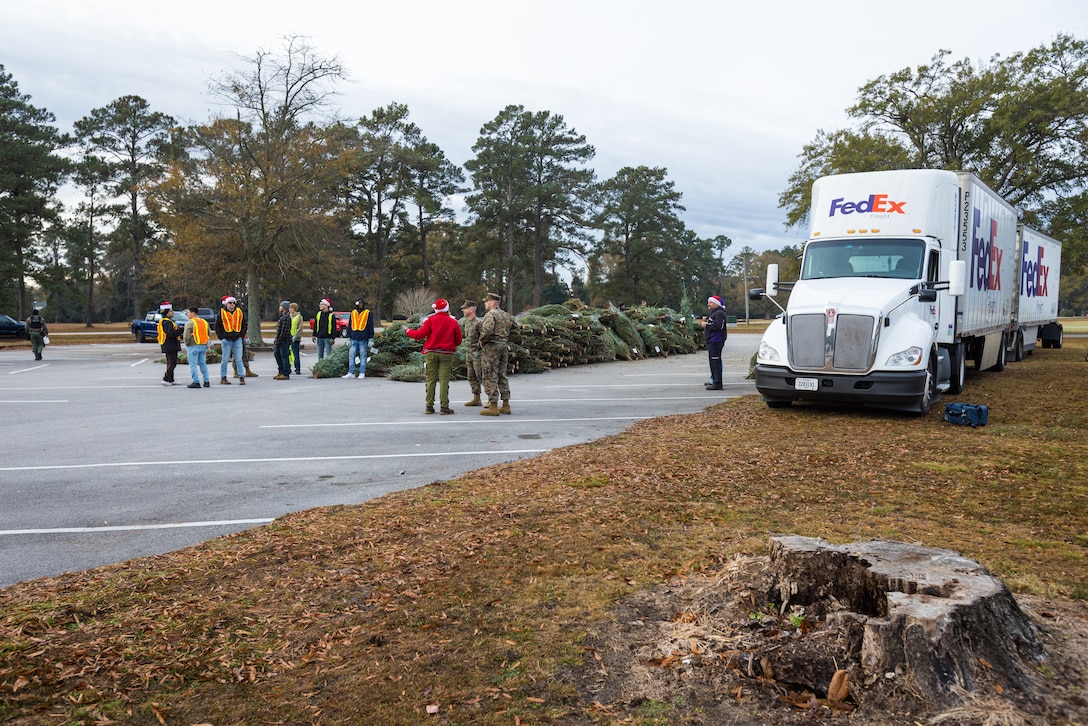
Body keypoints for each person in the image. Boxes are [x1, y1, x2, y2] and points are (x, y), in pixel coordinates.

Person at [405, 298, 463, 414]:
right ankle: (444, 406)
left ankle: (429, 406)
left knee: (430, 380)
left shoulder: (430, 320)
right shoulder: (453, 322)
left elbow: (419, 335)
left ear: (435, 309)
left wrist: (408, 331)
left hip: (431, 353)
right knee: (444, 380)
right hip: (447, 354)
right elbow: (459, 340)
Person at [478, 291, 514, 416]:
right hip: (503, 346)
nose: (485, 304)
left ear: (492, 302)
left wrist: (482, 340)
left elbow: (487, 329)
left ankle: (493, 405)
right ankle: (506, 404)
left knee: (489, 374)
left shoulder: (490, 315)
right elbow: (516, 328)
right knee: (502, 374)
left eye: (486, 301)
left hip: (491, 347)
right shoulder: (506, 315)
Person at [215, 295, 247, 385]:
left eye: (233, 303)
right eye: (230, 303)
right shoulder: (221, 313)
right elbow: (217, 326)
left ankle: (241, 377)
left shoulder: (239, 312)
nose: (232, 304)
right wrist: (222, 337)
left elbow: (244, 324)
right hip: (226, 339)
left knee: (239, 359)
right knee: (225, 359)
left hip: (237, 338)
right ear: (226, 304)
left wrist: (241, 335)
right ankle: (223, 377)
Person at [459, 300, 483, 406]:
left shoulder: (478, 323)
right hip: (469, 353)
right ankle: (476, 398)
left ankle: (492, 400)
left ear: (472, 309)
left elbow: (484, 337)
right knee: (471, 376)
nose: (463, 310)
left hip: (477, 353)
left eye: (465, 308)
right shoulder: (467, 322)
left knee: (481, 375)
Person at [343, 297, 374, 379]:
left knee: (363, 356)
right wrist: (348, 337)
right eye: (358, 303)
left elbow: (370, 326)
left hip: (363, 338)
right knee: (351, 355)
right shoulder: (353, 313)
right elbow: (350, 325)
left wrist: (371, 338)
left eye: (361, 303)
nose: (360, 305)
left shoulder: (367, 313)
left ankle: (362, 372)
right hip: (353, 338)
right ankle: (351, 372)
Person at [703, 295, 728, 390]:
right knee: (713, 362)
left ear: (716, 304)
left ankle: (717, 383)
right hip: (711, 341)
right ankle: (714, 379)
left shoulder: (719, 313)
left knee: (715, 362)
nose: (708, 304)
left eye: (710, 302)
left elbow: (718, 326)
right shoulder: (714, 313)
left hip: (716, 341)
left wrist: (706, 325)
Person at [183, 305, 211, 388]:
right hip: (203, 345)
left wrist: (187, 343)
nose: (187, 314)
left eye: (188, 313)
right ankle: (206, 381)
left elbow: (186, 335)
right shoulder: (204, 321)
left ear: (192, 313)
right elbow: (208, 332)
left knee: (193, 365)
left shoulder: (190, 322)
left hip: (193, 345)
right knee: (203, 363)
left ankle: (196, 381)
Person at [156, 303, 183, 386]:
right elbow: (170, 333)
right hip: (169, 344)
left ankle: (171, 379)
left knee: (171, 362)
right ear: (166, 313)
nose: (173, 312)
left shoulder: (168, 321)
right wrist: (181, 330)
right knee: (172, 363)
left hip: (170, 344)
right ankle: (166, 378)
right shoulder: (167, 322)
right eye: (171, 311)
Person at [273, 300, 293, 380]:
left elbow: (284, 331)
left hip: (284, 341)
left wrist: (278, 340)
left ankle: (285, 373)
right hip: (280, 341)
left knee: (284, 356)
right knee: (277, 355)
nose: (279, 307)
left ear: (284, 307)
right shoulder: (283, 316)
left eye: (281, 306)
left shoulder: (286, 318)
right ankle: (280, 371)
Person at [289, 302, 303, 375]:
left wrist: (296, 336)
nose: (290, 310)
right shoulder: (289, 316)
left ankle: (297, 369)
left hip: (295, 339)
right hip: (289, 338)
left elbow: (300, 328)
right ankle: (289, 367)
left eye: (291, 308)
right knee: (289, 354)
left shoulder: (299, 317)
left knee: (295, 354)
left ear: (294, 309)